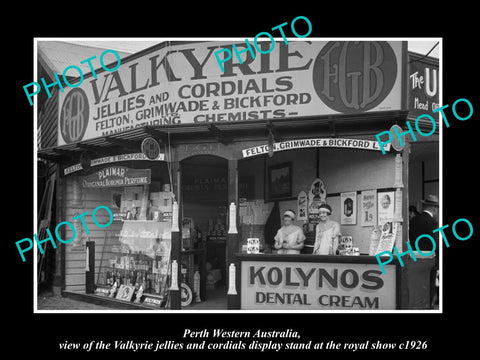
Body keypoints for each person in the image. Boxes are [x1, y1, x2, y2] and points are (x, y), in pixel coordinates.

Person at [409, 194, 439, 309]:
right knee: (429, 287)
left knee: (417, 288)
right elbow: (436, 243)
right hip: (429, 261)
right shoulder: (432, 222)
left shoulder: (413, 220)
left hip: (414, 260)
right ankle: (428, 308)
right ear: (434, 209)